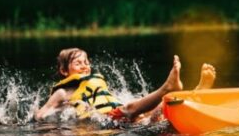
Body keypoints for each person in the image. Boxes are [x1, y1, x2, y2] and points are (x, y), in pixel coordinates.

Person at [34, 48, 216, 122]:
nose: (85, 66)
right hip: (106, 123)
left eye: (87, 62)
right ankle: (167, 87)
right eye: (78, 63)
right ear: (64, 71)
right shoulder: (62, 93)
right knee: (130, 108)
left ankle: (197, 92)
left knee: (156, 113)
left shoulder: (93, 83)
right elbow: (40, 116)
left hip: (114, 119)